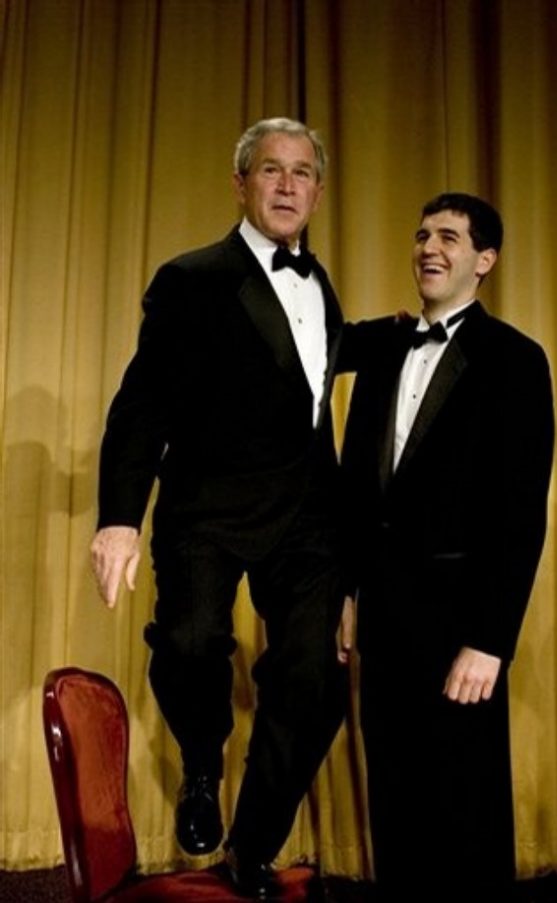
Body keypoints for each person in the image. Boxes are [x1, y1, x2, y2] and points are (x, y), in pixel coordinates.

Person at [91, 117, 348, 900]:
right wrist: (119, 517)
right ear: (241, 183)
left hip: (304, 517)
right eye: (270, 170)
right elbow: (142, 404)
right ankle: (203, 762)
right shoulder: (191, 277)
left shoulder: (319, 283)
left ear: (316, 190)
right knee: (194, 640)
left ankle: (254, 843)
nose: (286, 184)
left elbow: (309, 380)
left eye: (301, 172)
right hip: (208, 508)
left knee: (312, 682)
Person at [341, 193, 554, 901]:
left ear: (484, 260)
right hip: (383, 613)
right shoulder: (383, 350)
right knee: (394, 800)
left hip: (462, 625)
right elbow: (354, 486)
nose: (430, 247)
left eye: (451, 238)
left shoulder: (516, 359)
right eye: (423, 233)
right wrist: (348, 592)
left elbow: (520, 511)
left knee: (466, 807)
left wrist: (490, 638)